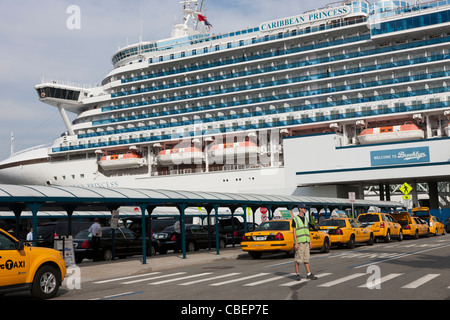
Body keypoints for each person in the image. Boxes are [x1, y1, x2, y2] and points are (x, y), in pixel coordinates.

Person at [292, 204, 318, 281]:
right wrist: (296, 243)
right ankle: (297, 274)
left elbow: (307, 230)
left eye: (305, 208)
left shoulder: (306, 219)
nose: (305, 209)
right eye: (304, 208)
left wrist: (310, 241)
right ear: (300, 209)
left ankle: (308, 273)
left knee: (306, 258)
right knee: (298, 259)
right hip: (299, 242)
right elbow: (294, 232)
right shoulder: (295, 219)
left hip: (306, 241)